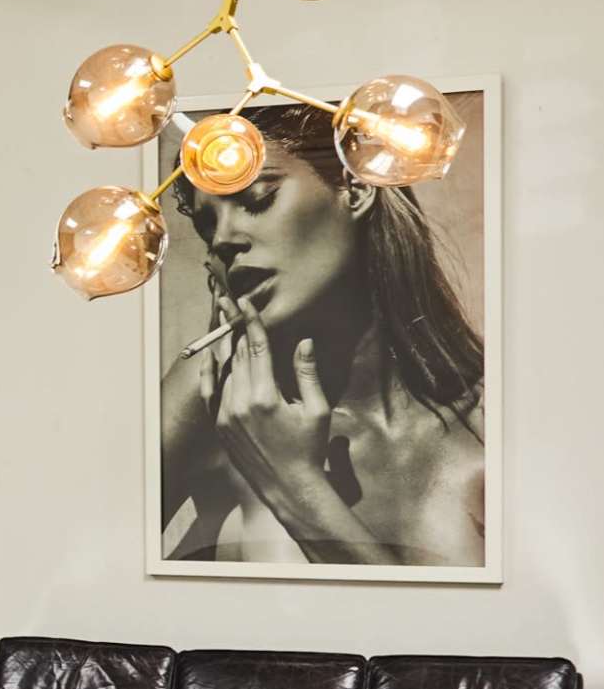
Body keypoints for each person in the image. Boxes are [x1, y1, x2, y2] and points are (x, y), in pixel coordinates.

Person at [156, 99, 484, 567]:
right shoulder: (219, 399)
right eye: (208, 226)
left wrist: (294, 484)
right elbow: (78, 563)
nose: (224, 240)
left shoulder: (489, 425)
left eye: (257, 199)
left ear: (354, 188)